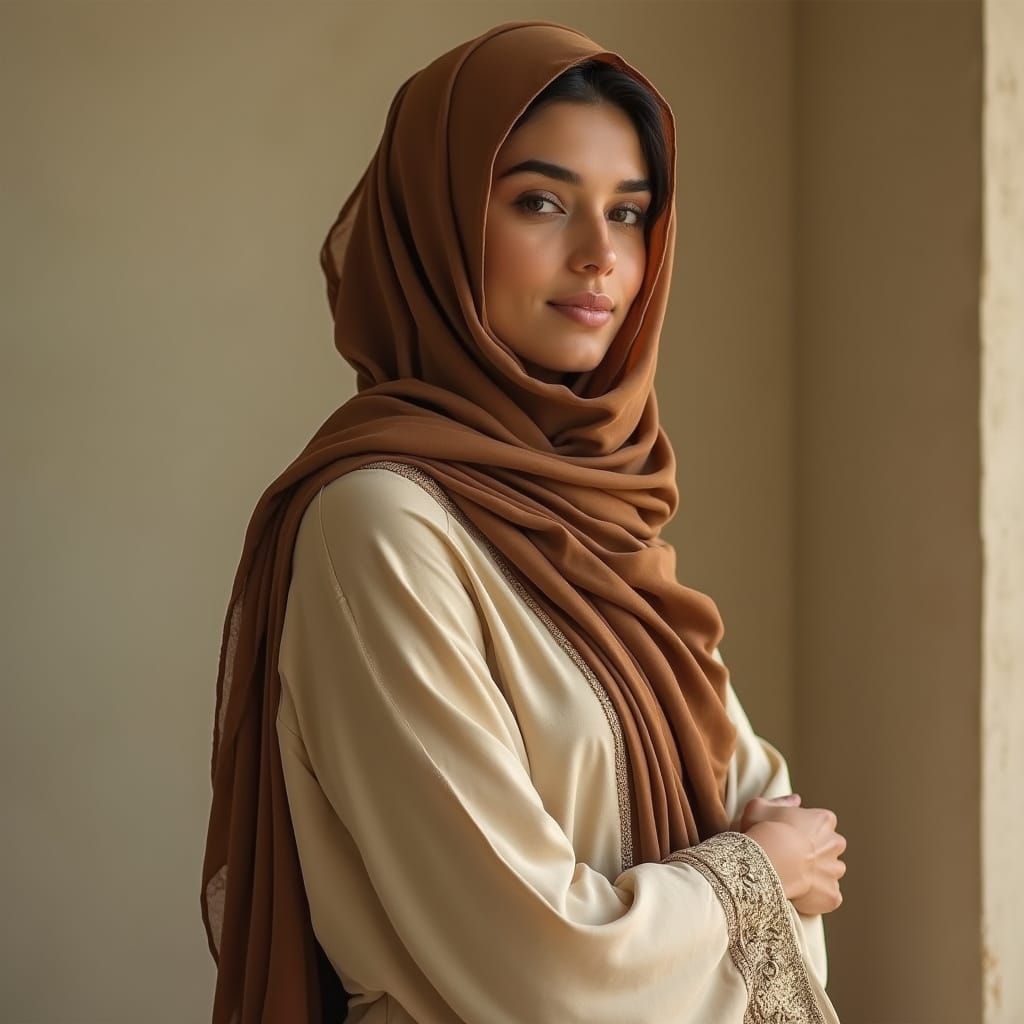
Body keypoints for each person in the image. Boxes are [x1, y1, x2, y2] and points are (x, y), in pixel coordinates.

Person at [200, 19, 847, 1024]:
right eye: (541, 202)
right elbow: (536, 963)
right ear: (441, 226)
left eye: (629, 214)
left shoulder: (596, 506)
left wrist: (751, 868)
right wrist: (751, 877)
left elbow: (769, 805)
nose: (599, 256)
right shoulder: (379, 522)